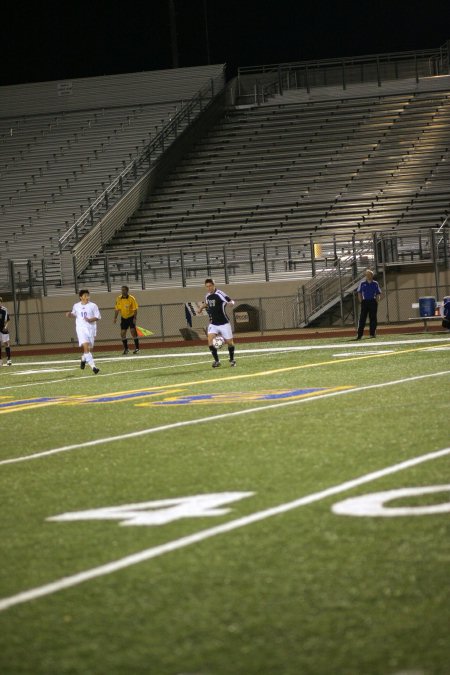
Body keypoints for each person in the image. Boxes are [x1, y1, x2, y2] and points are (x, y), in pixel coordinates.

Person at [198, 278, 236, 368]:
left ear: (214, 285)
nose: (209, 288)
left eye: (210, 286)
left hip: (224, 323)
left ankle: (232, 359)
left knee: (230, 343)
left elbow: (230, 300)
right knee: (210, 341)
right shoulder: (207, 296)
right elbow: (207, 303)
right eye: (207, 286)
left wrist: (232, 303)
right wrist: (201, 308)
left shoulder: (220, 294)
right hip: (213, 323)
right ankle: (217, 361)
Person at [66, 289, 101, 374]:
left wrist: (90, 319)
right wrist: (70, 314)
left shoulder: (93, 305)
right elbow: (74, 314)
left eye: (88, 295)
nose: (87, 297)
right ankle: (94, 368)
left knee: (89, 349)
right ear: (80, 297)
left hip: (91, 328)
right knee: (86, 348)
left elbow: (98, 317)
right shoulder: (76, 306)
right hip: (81, 329)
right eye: (85, 296)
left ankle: (83, 358)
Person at [355, 269, 382, 340]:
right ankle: (359, 335)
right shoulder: (362, 283)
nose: (367, 276)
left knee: (373, 318)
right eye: (366, 275)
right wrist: (361, 301)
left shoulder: (375, 283)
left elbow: (378, 293)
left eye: (369, 274)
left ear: (372, 275)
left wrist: (377, 301)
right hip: (365, 302)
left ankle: (372, 334)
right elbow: (359, 292)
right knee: (362, 319)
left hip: (373, 302)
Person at [113, 285, 139, 354]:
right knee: (122, 333)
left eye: (124, 290)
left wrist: (135, 318)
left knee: (133, 331)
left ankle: (137, 348)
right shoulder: (118, 298)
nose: (122, 291)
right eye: (122, 290)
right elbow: (117, 309)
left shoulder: (131, 298)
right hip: (123, 318)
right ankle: (126, 349)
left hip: (131, 317)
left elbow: (135, 309)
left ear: (127, 291)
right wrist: (115, 318)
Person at [0, 297, 12, 366]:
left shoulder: (4, 310)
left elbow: (8, 320)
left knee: (6, 343)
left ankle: (9, 359)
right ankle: (0, 361)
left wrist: (5, 327)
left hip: (3, 329)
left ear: (1, 302)